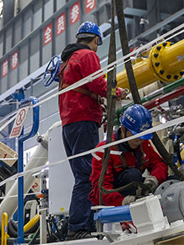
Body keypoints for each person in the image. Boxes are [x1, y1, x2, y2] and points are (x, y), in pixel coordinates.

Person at [58, 21, 125, 240]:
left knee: (82, 175)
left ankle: (82, 225)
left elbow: (85, 88)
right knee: (87, 176)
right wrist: (117, 92)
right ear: (96, 40)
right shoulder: (87, 55)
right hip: (83, 120)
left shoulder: (67, 61)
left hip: (69, 124)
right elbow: (98, 85)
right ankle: (78, 227)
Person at [89, 104, 168, 207]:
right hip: (111, 201)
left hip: (134, 193)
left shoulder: (143, 144)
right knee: (133, 175)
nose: (140, 140)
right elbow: (101, 189)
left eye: (142, 136)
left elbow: (159, 164)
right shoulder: (104, 151)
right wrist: (122, 201)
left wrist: (155, 179)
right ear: (123, 129)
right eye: (136, 135)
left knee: (169, 182)